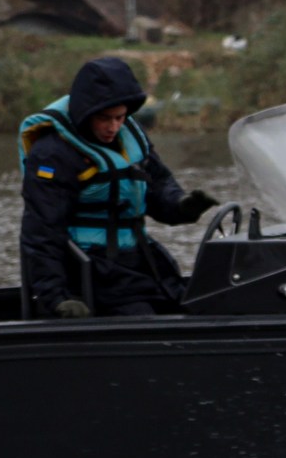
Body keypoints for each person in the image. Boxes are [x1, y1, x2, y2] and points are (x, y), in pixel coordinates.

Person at [18, 57, 216, 318]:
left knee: (198, 306)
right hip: (91, 272)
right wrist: (56, 297)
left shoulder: (131, 136)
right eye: (104, 119)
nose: (113, 127)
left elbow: (158, 186)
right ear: (86, 112)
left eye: (120, 117)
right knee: (146, 321)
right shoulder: (53, 153)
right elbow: (41, 232)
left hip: (140, 262)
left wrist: (182, 205)